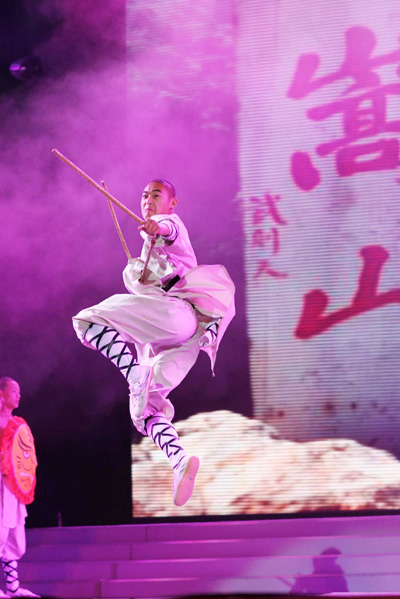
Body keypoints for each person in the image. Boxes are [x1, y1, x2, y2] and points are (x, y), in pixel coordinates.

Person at [73, 179, 234, 506]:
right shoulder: (145, 254)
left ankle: (134, 374)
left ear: (172, 203)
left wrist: (156, 227)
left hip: (177, 315)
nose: (148, 199)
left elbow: (168, 231)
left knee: (85, 321)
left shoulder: (172, 226)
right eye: (144, 195)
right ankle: (179, 461)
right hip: (175, 338)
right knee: (144, 410)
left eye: (156, 195)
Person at [0, 378, 40, 598]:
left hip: (12, 487)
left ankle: (13, 589)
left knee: (14, 536)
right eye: (14, 391)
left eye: (19, 391)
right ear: (1, 394)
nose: (19, 395)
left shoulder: (17, 423)